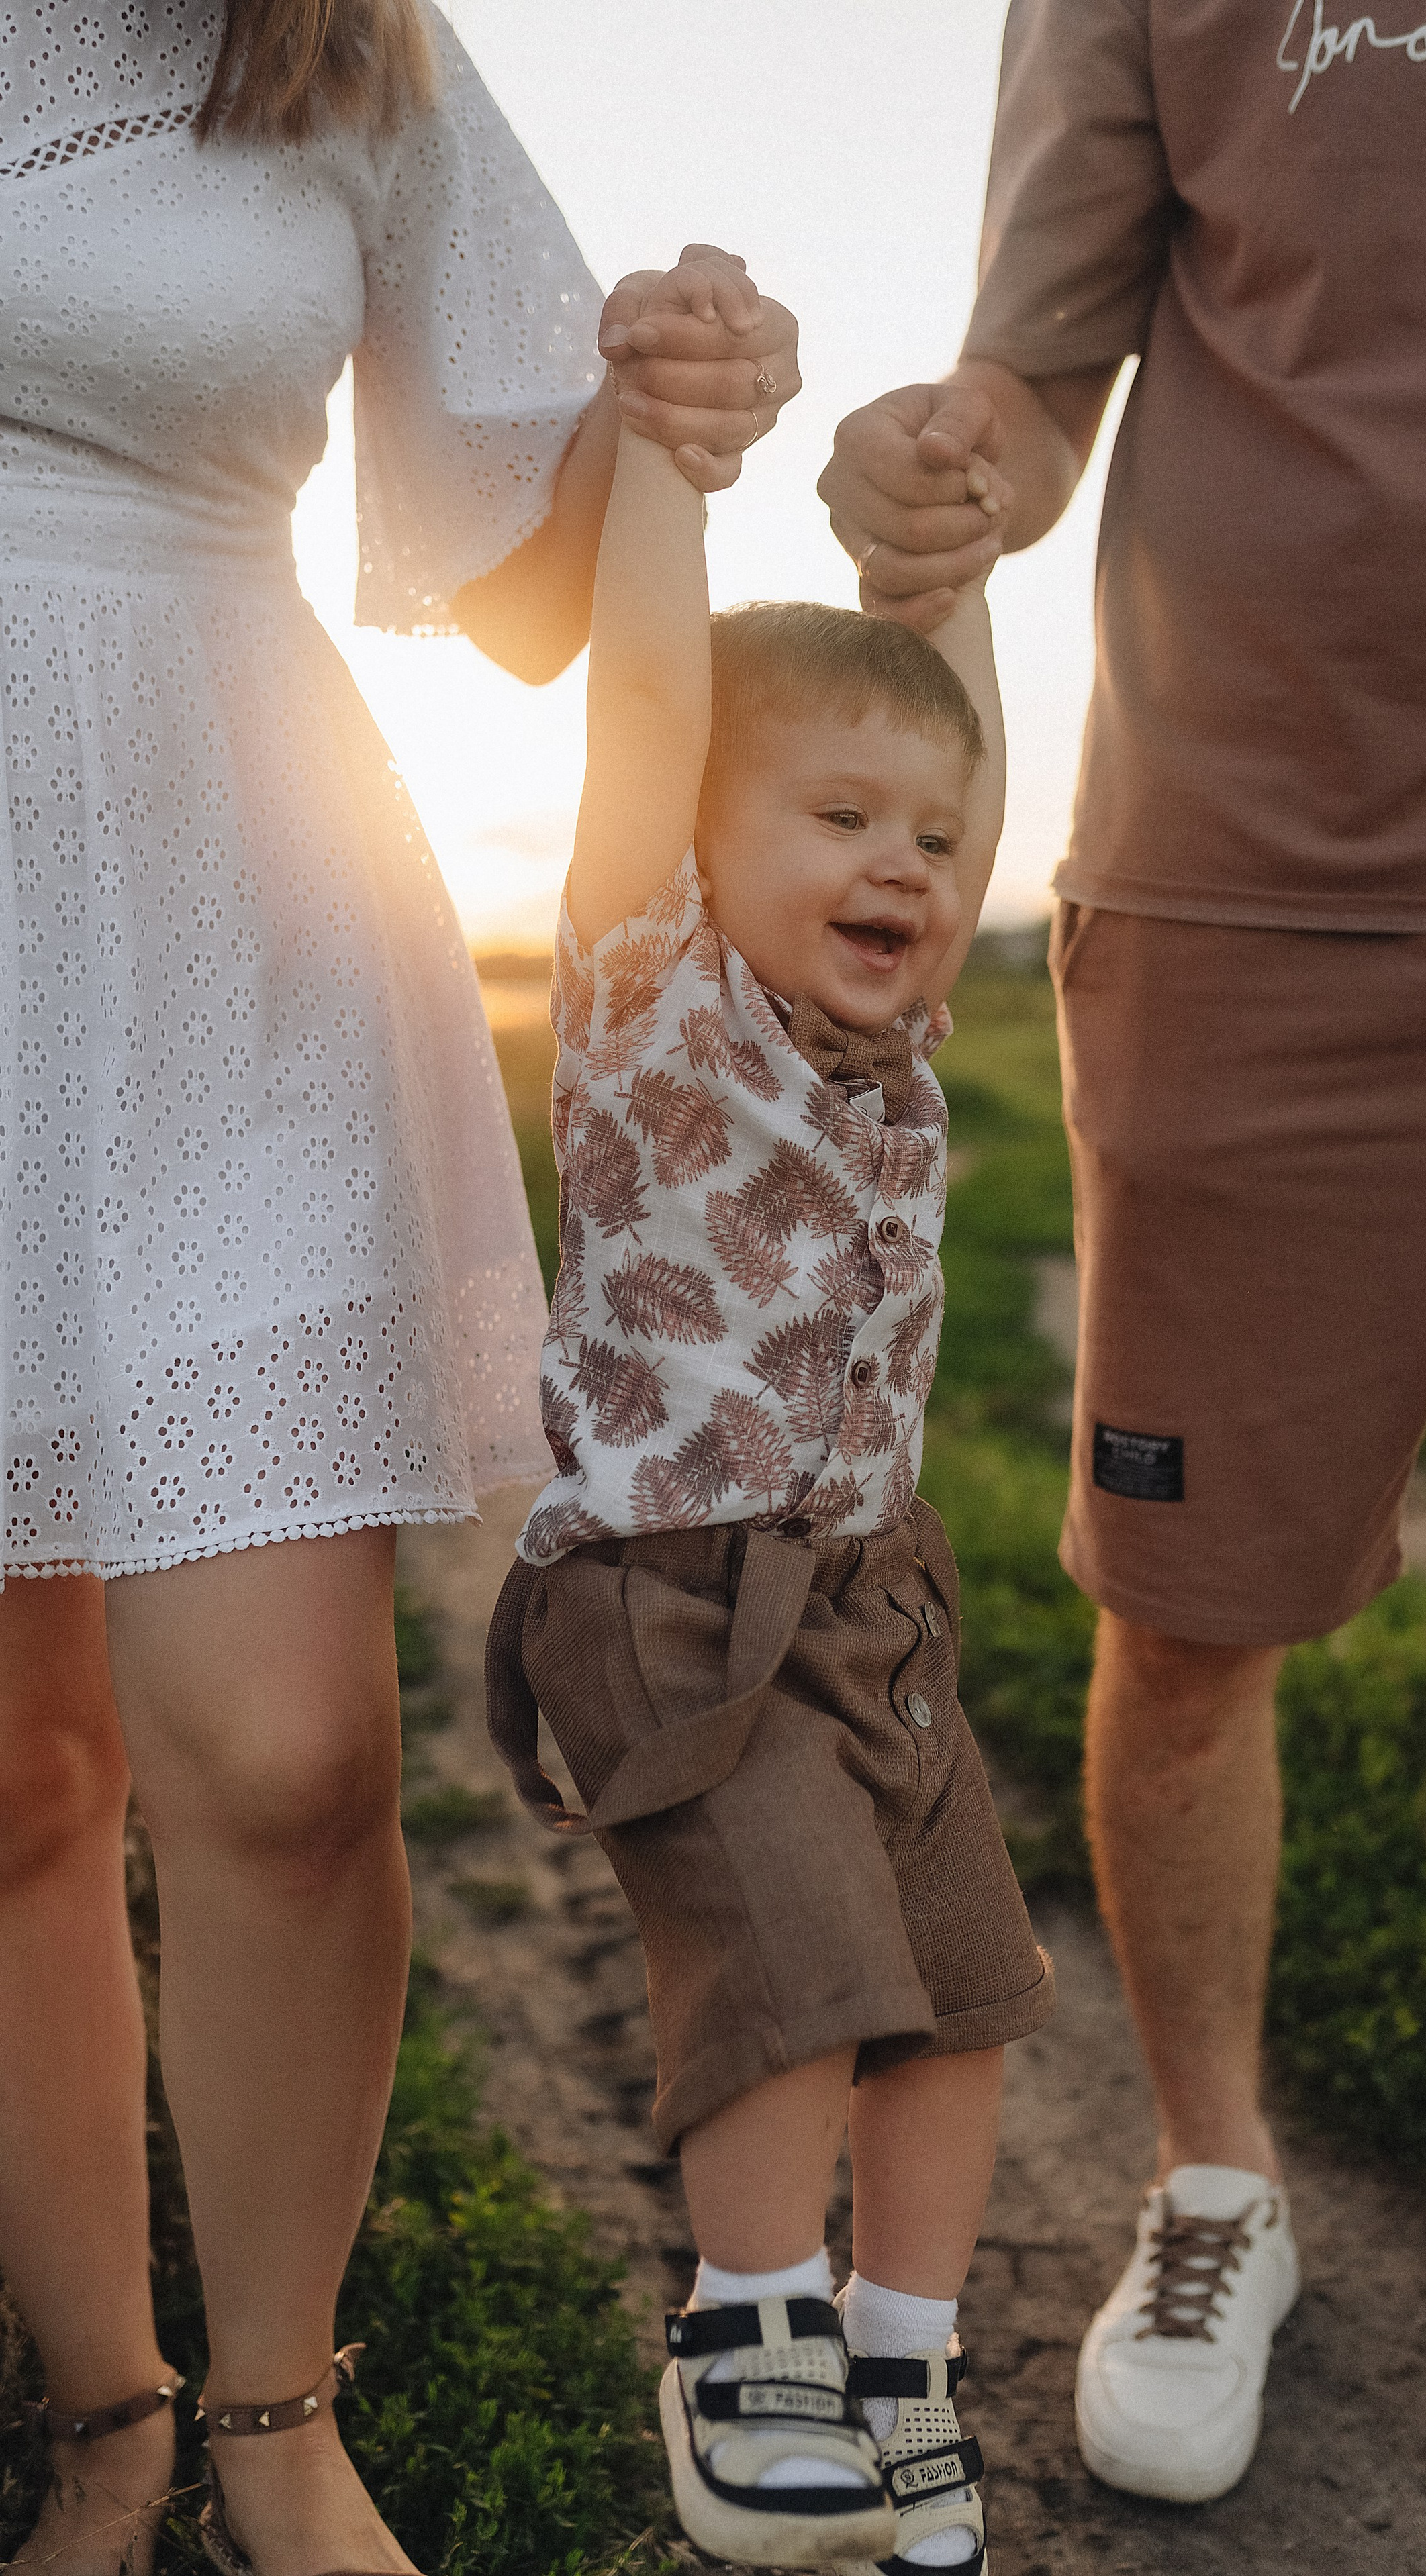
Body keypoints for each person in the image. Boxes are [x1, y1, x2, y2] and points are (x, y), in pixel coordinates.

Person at [820, 0, 1426, 2514]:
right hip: (1250, 906)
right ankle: (1220, 2183)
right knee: (1194, 1633)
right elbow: (1031, 376)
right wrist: (935, 459)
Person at [0, 7, 801, 2573]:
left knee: (286, 1758)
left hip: (225, 896)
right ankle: (108, 2414)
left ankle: (274, 2418)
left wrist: (657, 391)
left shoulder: (335, 40)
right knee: (12, 1780)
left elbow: (534, 579)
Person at [485, 246, 1051, 2576]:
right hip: (677, 1600)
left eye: (924, 845)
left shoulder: (895, 1050)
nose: (905, 866)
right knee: (799, 1971)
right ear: (710, 844)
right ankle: (748, 2339)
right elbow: (645, 707)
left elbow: (963, 754)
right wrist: (665, 473)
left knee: (964, 1996)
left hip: (874, 1602)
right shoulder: (653, 1000)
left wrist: (969, 578)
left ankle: (903, 2357)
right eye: (837, 822)